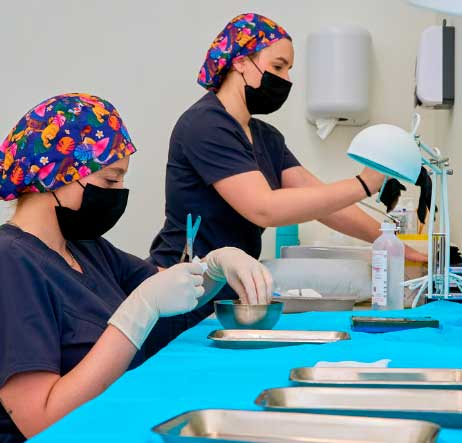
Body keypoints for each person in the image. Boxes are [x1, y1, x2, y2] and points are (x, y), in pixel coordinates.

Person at [0, 93, 272, 442]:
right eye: (110, 181)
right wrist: (138, 310)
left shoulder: (87, 249)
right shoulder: (11, 263)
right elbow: (40, 421)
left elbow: (174, 290)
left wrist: (216, 267)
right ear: (57, 175)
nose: (119, 192)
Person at [148, 13, 426, 318]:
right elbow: (263, 208)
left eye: (289, 69)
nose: (287, 79)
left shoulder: (265, 137)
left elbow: (326, 205)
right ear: (240, 62)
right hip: (183, 288)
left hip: (228, 290)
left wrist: (396, 245)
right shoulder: (206, 125)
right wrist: (362, 184)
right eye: (278, 66)